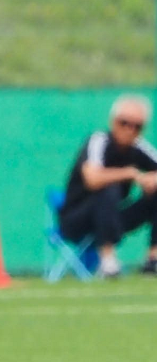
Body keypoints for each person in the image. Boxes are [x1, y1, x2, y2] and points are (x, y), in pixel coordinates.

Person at [58, 95, 157, 279]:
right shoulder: (98, 141)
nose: (130, 130)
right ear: (113, 121)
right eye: (124, 123)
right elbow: (93, 179)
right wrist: (129, 173)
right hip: (76, 220)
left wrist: (152, 179)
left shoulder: (139, 147)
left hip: (111, 220)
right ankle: (108, 262)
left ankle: (153, 260)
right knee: (107, 187)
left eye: (137, 126)